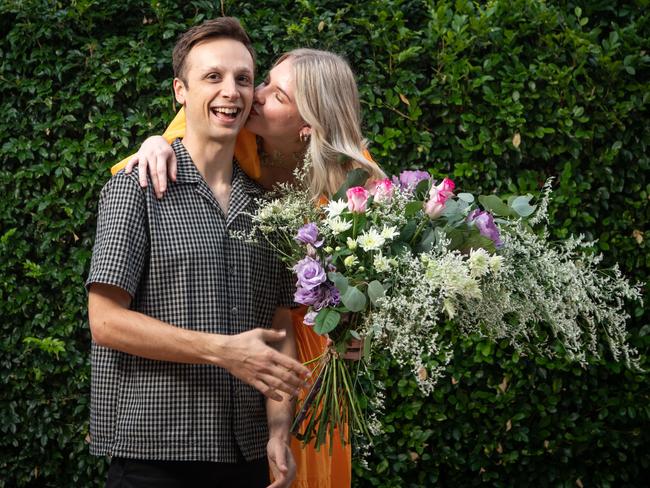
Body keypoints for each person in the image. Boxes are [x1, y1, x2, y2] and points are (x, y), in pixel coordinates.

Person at [112, 47, 386, 488]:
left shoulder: (357, 181)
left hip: (310, 361)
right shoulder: (237, 135)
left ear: (308, 126)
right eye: (265, 82)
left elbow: (384, 285)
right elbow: (167, 148)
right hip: (246, 338)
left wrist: (364, 336)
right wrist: (154, 143)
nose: (254, 96)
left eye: (276, 95)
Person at [86, 18, 310, 488]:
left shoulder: (270, 211)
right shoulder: (137, 187)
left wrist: (277, 429)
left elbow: (279, 328)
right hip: (153, 457)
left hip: (247, 459)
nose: (231, 91)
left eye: (243, 79)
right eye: (213, 77)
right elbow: (105, 321)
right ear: (180, 92)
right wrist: (222, 352)